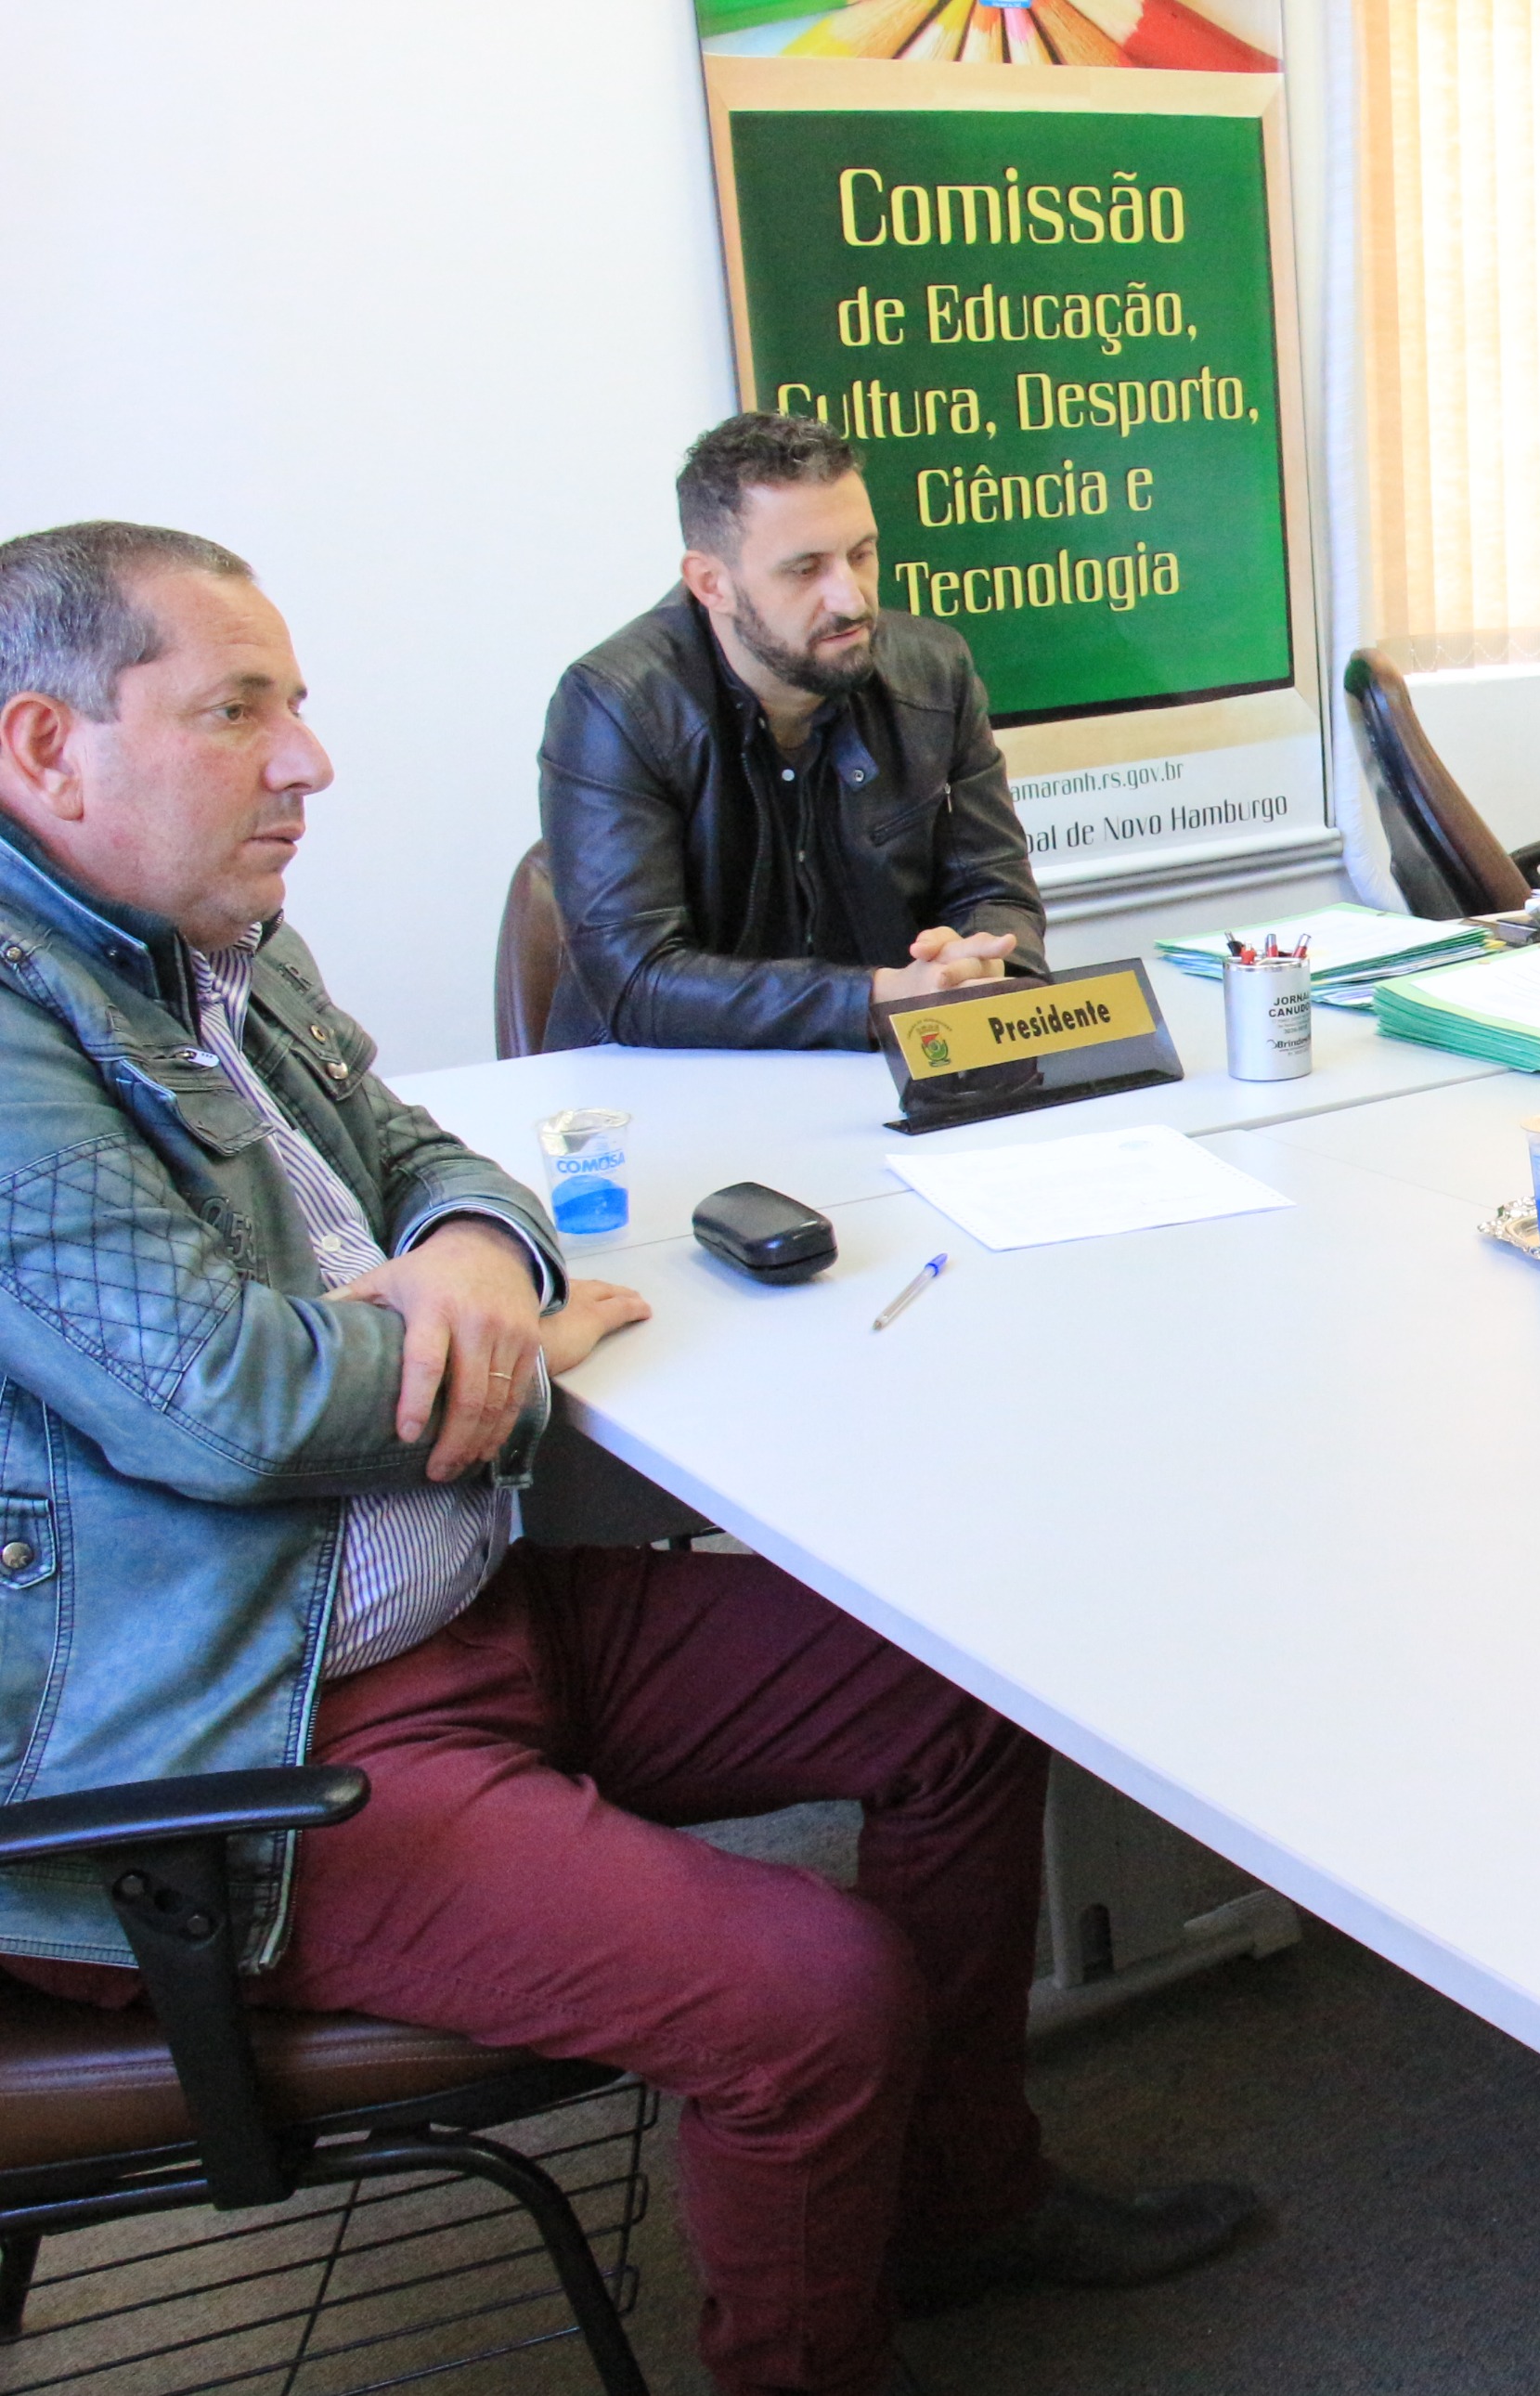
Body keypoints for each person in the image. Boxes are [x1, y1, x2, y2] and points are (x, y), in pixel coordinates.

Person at [0, 522, 1250, 2396]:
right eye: (237, 711)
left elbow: (436, 1155)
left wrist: (475, 1260)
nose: (308, 762)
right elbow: (231, 1400)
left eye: (296, 705)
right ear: (47, 748)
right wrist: (507, 1345)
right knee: (814, 1996)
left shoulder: (216, 939)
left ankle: (956, 2207)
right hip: (245, 1742)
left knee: (968, 1694)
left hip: (450, 1604)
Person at [537, 413, 1047, 1050]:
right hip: (660, 1082)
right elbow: (636, 981)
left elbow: (997, 888)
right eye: (805, 569)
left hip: (888, 1068)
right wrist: (872, 998)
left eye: (861, 554)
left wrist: (979, 964)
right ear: (711, 584)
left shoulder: (935, 672)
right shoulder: (616, 704)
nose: (851, 599)